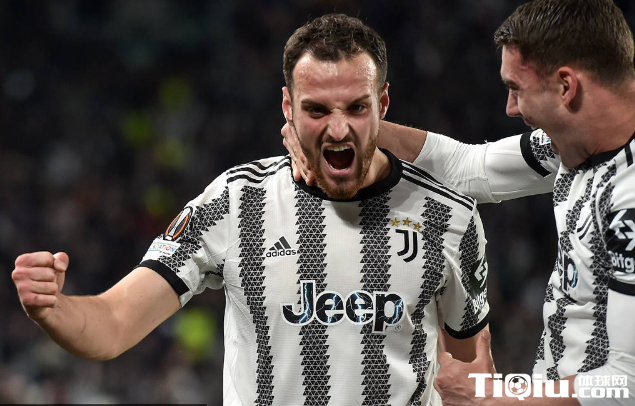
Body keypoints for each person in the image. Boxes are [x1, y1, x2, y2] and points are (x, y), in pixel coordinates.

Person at [11, 14, 491, 406]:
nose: (338, 129)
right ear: (287, 107)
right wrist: (53, 309)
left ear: (382, 104)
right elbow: (114, 323)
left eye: (356, 108)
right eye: (317, 110)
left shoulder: (450, 218)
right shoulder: (235, 201)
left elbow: (470, 377)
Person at [282, 0, 635, 404]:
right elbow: (468, 168)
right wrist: (336, 128)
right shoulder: (576, 141)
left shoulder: (627, 200)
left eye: (516, 89)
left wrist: (494, 397)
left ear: (566, 87)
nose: (510, 108)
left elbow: (626, 384)